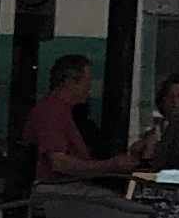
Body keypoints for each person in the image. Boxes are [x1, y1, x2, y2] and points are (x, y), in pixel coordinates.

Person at [26, 51, 129, 181]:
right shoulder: (52, 111)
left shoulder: (61, 110)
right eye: (87, 81)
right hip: (57, 187)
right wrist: (111, 165)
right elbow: (59, 163)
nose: (89, 87)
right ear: (69, 81)